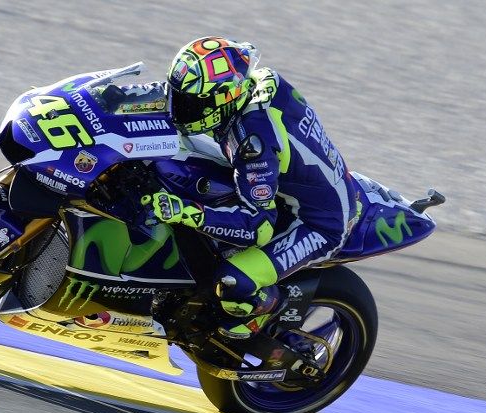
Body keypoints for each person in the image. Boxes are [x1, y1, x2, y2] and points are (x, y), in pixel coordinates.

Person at [142, 36, 359, 339]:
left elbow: (258, 226)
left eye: (192, 104)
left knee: (232, 284)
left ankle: (271, 315)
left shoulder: (253, 146)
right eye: (177, 96)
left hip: (318, 222)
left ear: (225, 99)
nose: (179, 110)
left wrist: (185, 213)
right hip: (288, 186)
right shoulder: (249, 86)